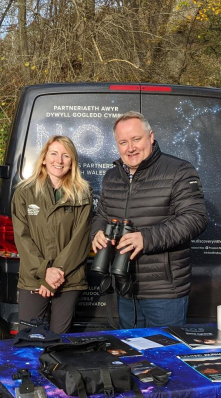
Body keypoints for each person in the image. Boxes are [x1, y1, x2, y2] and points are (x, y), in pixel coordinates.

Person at [91, 111, 208, 328]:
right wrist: (96, 233)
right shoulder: (112, 177)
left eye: (136, 139)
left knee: (165, 357)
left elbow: (196, 218)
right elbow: (101, 216)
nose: (130, 148)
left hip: (164, 291)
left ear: (151, 136)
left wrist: (145, 238)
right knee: (133, 355)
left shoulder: (179, 170)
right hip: (124, 286)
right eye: (123, 142)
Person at [11, 135, 92, 334]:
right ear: (44, 158)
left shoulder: (83, 193)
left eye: (66, 156)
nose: (59, 160)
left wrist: (55, 275)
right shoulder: (24, 192)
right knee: (28, 340)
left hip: (69, 279)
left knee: (59, 342)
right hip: (33, 277)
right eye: (54, 154)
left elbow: (80, 240)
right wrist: (44, 272)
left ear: (72, 162)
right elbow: (22, 237)